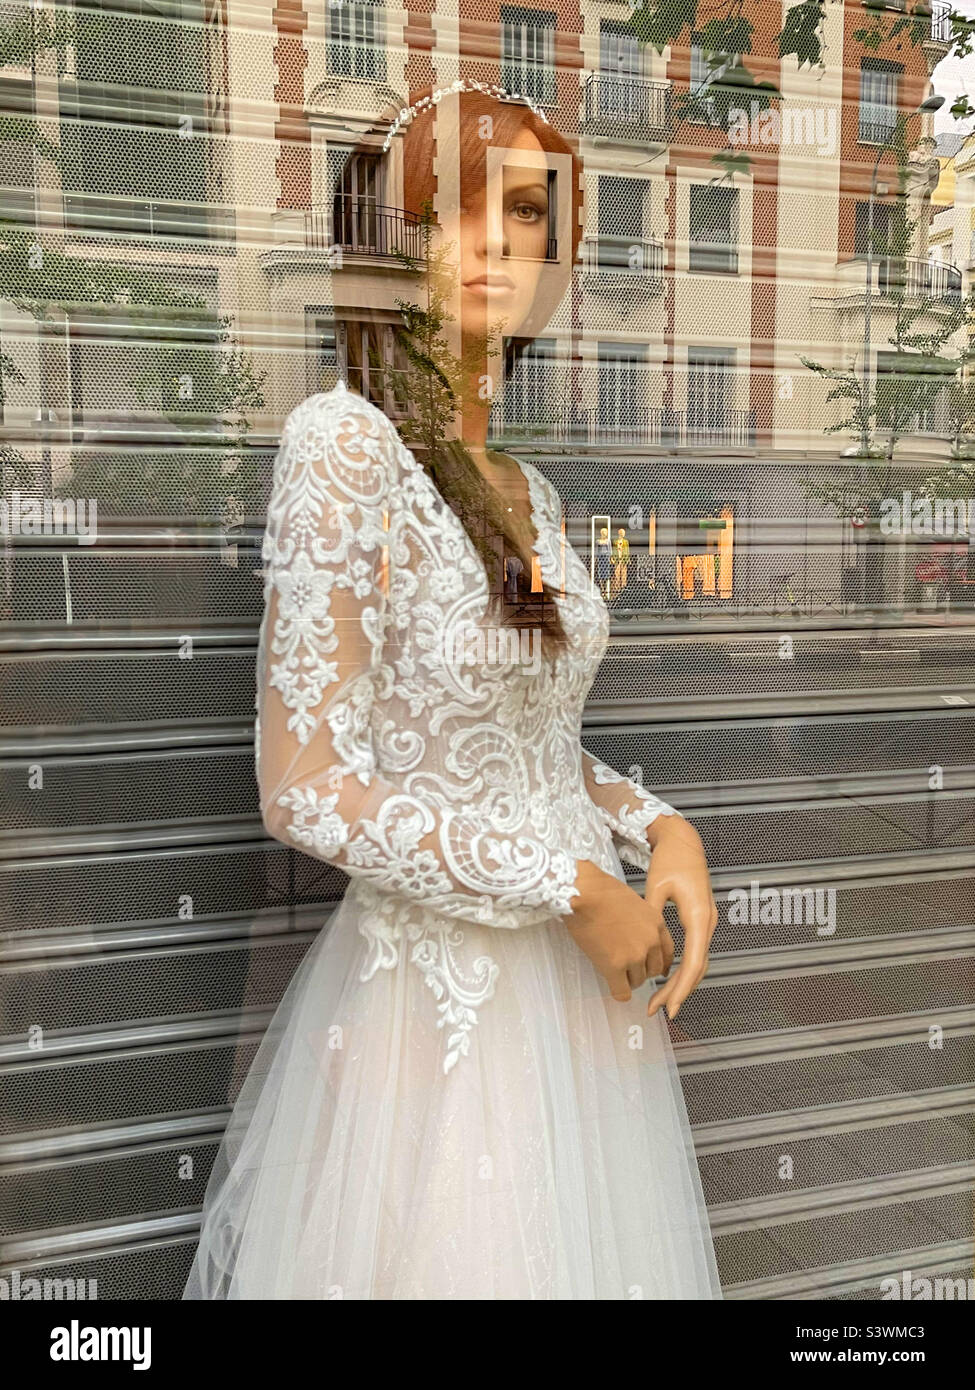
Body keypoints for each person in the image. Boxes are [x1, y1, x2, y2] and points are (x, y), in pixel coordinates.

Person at [184, 82, 722, 1301]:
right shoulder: (345, 444)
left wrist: (659, 826)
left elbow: (522, 744)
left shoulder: (528, 487)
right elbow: (306, 786)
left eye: (527, 211)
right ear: (391, 238)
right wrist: (571, 884)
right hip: (439, 1015)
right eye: (449, 208)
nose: (492, 241)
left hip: (577, 1012)